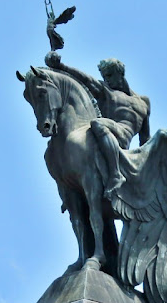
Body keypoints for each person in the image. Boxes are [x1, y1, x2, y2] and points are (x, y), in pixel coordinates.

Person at [45, 51, 151, 199]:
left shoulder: (143, 102)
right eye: (104, 76)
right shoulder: (105, 91)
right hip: (109, 133)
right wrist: (61, 66)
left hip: (123, 141)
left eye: (108, 75)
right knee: (98, 124)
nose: (106, 80)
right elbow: (87, 80)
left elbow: (145, 139)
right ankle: (115, 175)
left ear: (119, 73)